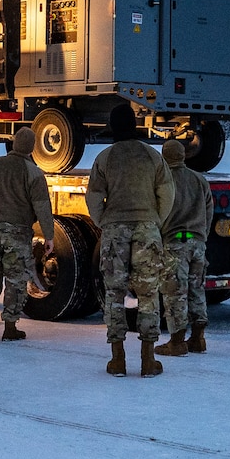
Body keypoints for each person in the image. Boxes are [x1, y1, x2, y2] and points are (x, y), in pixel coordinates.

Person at [85, 103, 174, 377]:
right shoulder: (152, 156)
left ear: (113, 127)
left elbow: (93, 196)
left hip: (115, 228)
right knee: (148, 294)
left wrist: (104, 222)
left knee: (114, 293)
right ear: (134, 125)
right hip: (147, 227)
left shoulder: (105, 157)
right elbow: (167, 193)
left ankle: (118, 359)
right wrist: (154, 221)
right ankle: (148, 359)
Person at [0, 127, 55, 341]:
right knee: (15, 280)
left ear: (14, 143)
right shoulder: (33, 172)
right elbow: (42, 207)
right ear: (32, 148)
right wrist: (49, 236)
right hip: (18, 232)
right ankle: (10, 328)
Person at [157, 139, 213, 355]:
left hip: (174, 242)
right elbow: (208, 212)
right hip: (197, 242)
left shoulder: (163, 180)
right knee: (196, 289)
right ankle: (198, 338)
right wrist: (202, 236)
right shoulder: (199, 179)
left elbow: (158, 213)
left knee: (175, 293)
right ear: (183, 155)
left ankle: (177, 341)